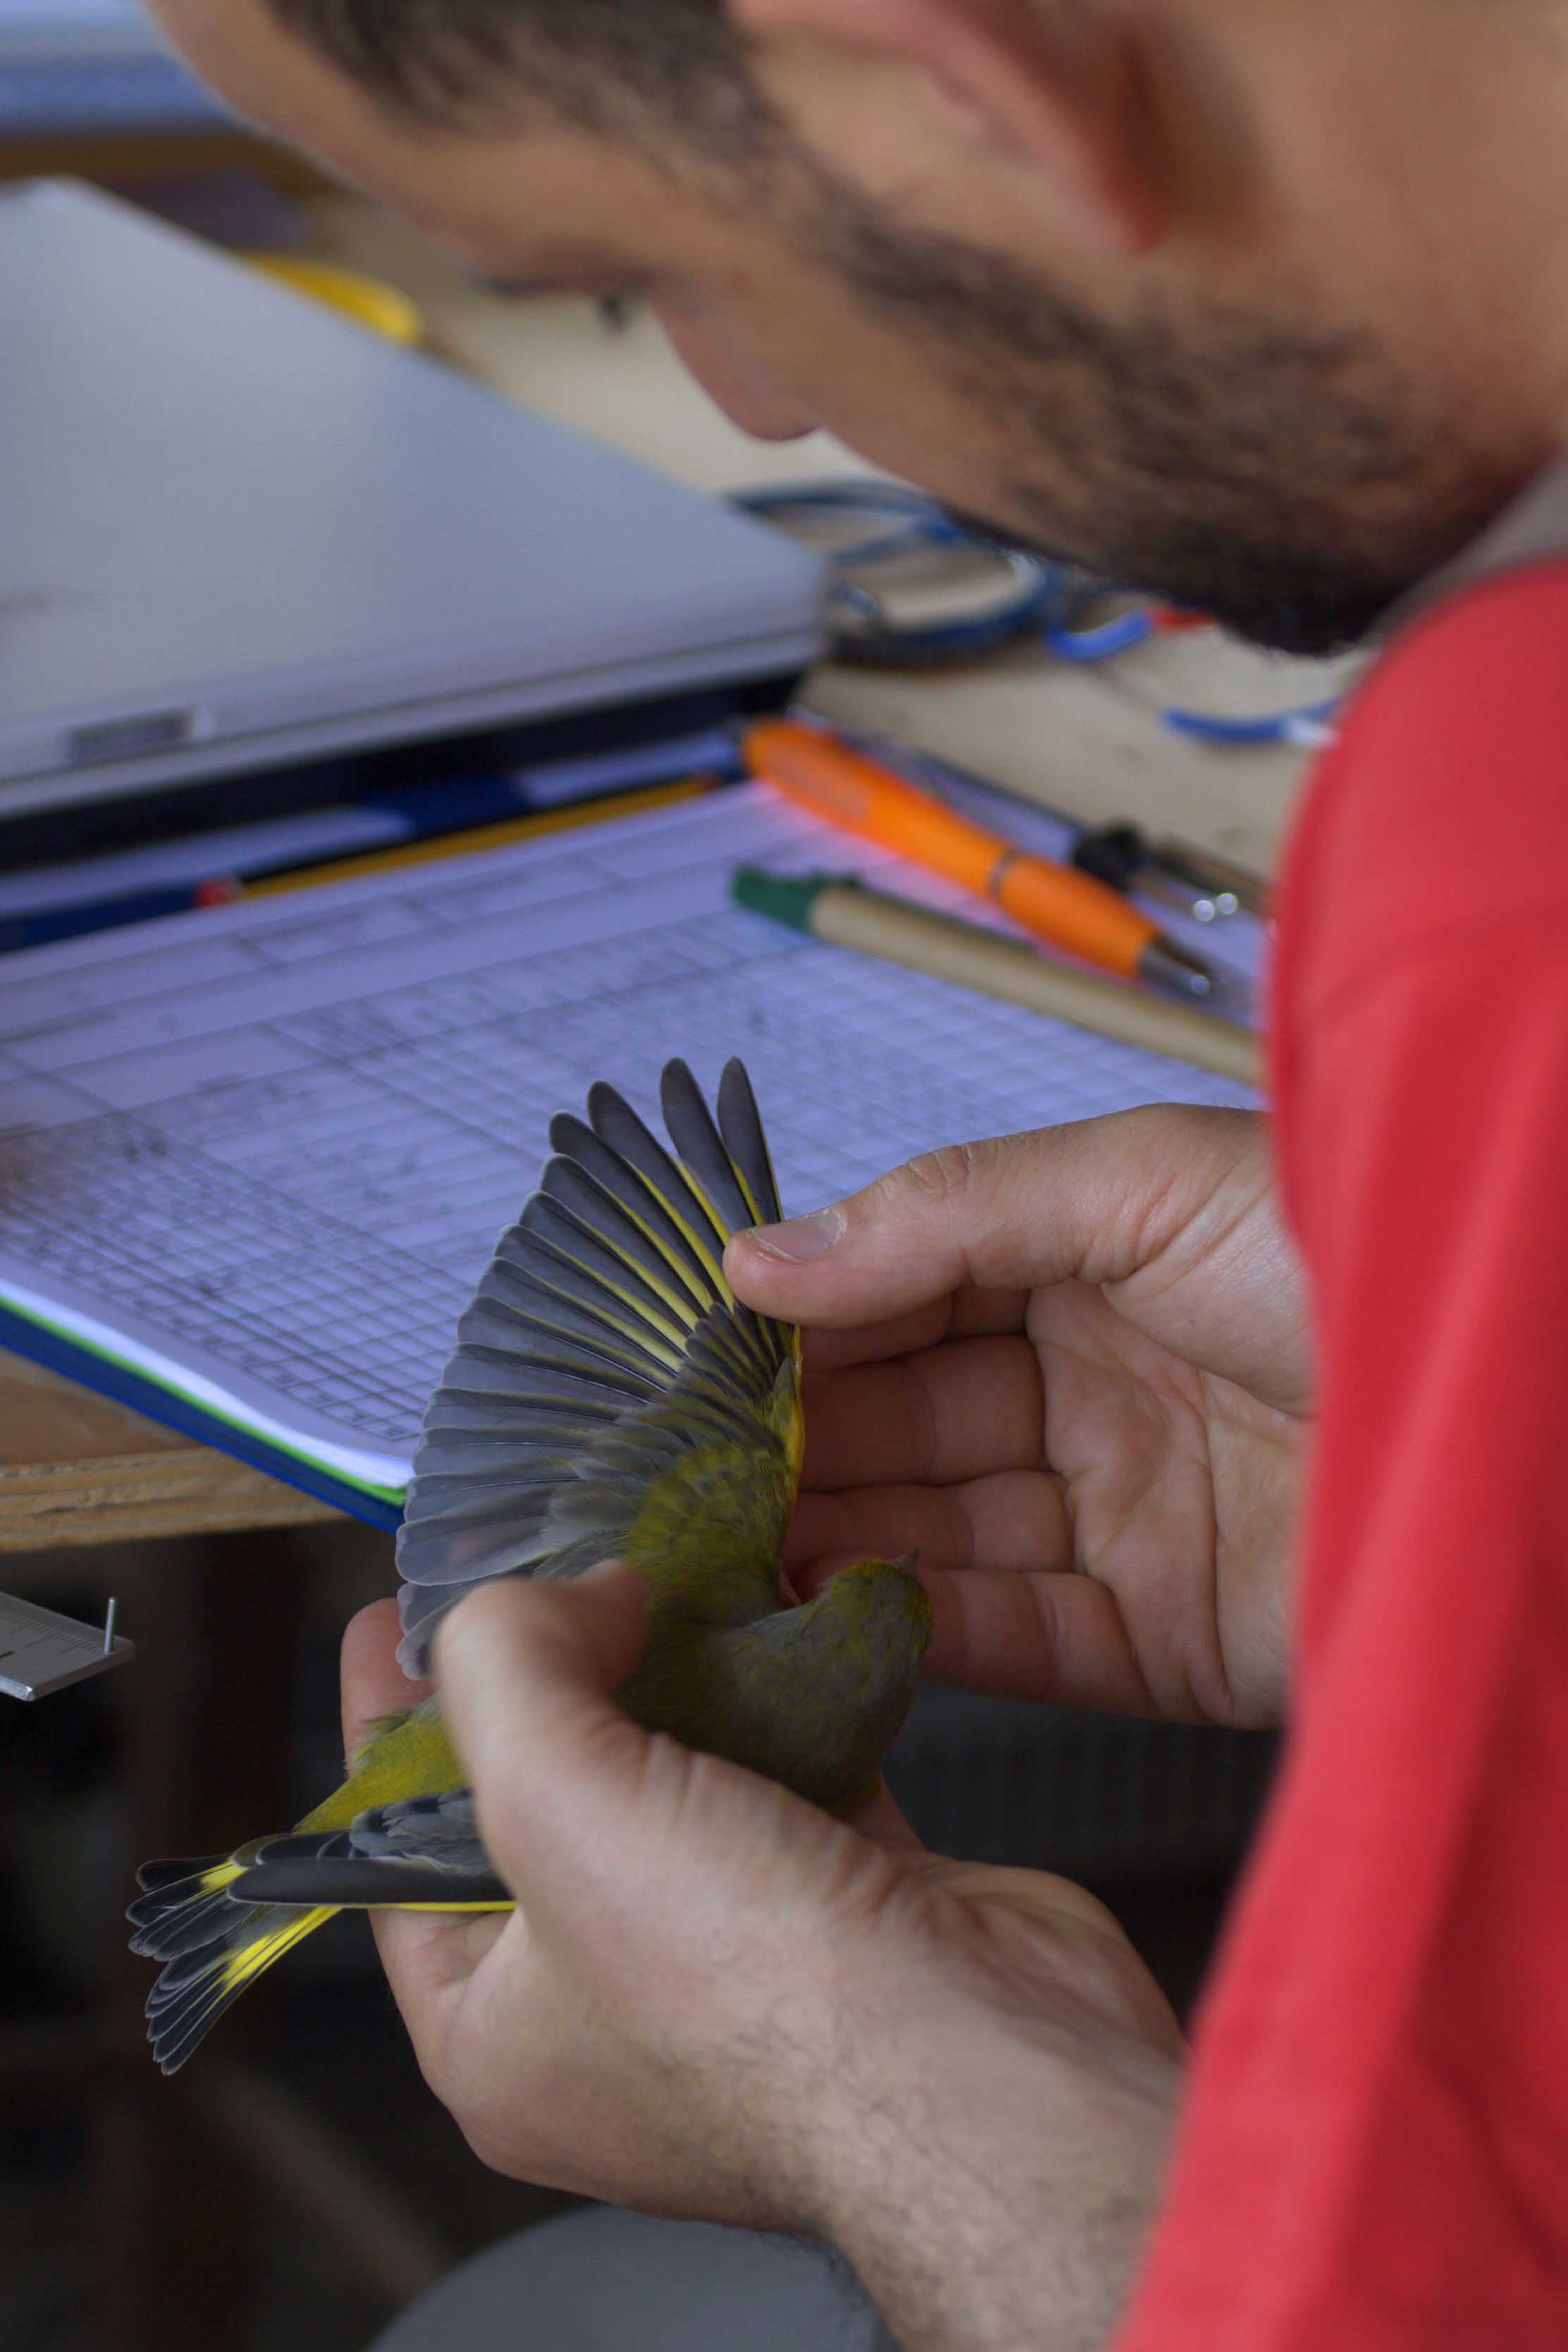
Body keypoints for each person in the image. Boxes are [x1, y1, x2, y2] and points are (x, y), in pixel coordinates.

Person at [144, 2, 1568, 2345]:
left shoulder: (1512, 830)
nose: (750, 405)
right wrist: (1464, 1460)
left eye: (632, 271)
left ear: (953, 77)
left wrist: (874, 2089)